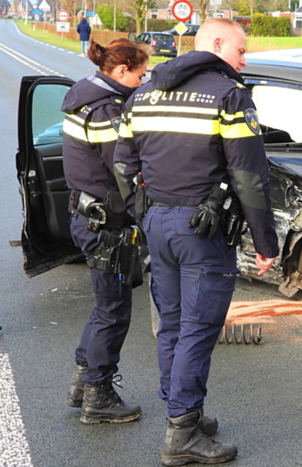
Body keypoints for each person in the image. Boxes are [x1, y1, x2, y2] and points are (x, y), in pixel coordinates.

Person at [113, 18, 279, 465]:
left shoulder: (142, 93)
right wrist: (267, 244)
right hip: (202, 233)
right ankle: (182, 433)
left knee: (171, 324)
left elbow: (122, 163)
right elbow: (249, 177)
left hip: (160, 224)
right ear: (217, 44)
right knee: (197, 330)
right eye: (241, 51)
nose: (245, 60)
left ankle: (181, 410)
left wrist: (143, 212)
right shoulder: (229, 96)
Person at [62, 38, 149, 425]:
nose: (143, 82)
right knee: (114, 310)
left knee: (104, 306)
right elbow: (124, 171)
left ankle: (84, 380)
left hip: (87, 216)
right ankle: (99, 396)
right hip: (106, 225)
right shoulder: (106, 111)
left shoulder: (82, 96)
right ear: (120, 71)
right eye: (140, 75)